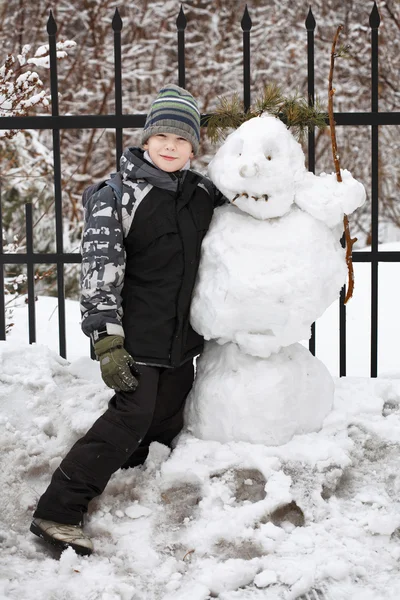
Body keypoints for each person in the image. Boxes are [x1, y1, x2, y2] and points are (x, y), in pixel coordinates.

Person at [30, 84, 224, 556]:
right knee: (131, 414)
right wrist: (106, 341)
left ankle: (136, 482)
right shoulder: (116, 195)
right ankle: (58, 509)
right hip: (135, 336)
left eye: (181, 140)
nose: (171, 147)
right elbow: (98, 274)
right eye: (162, 137)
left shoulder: (201, 195)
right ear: (145, 140)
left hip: (180, 340)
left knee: (166, 415)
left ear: (194, 147)